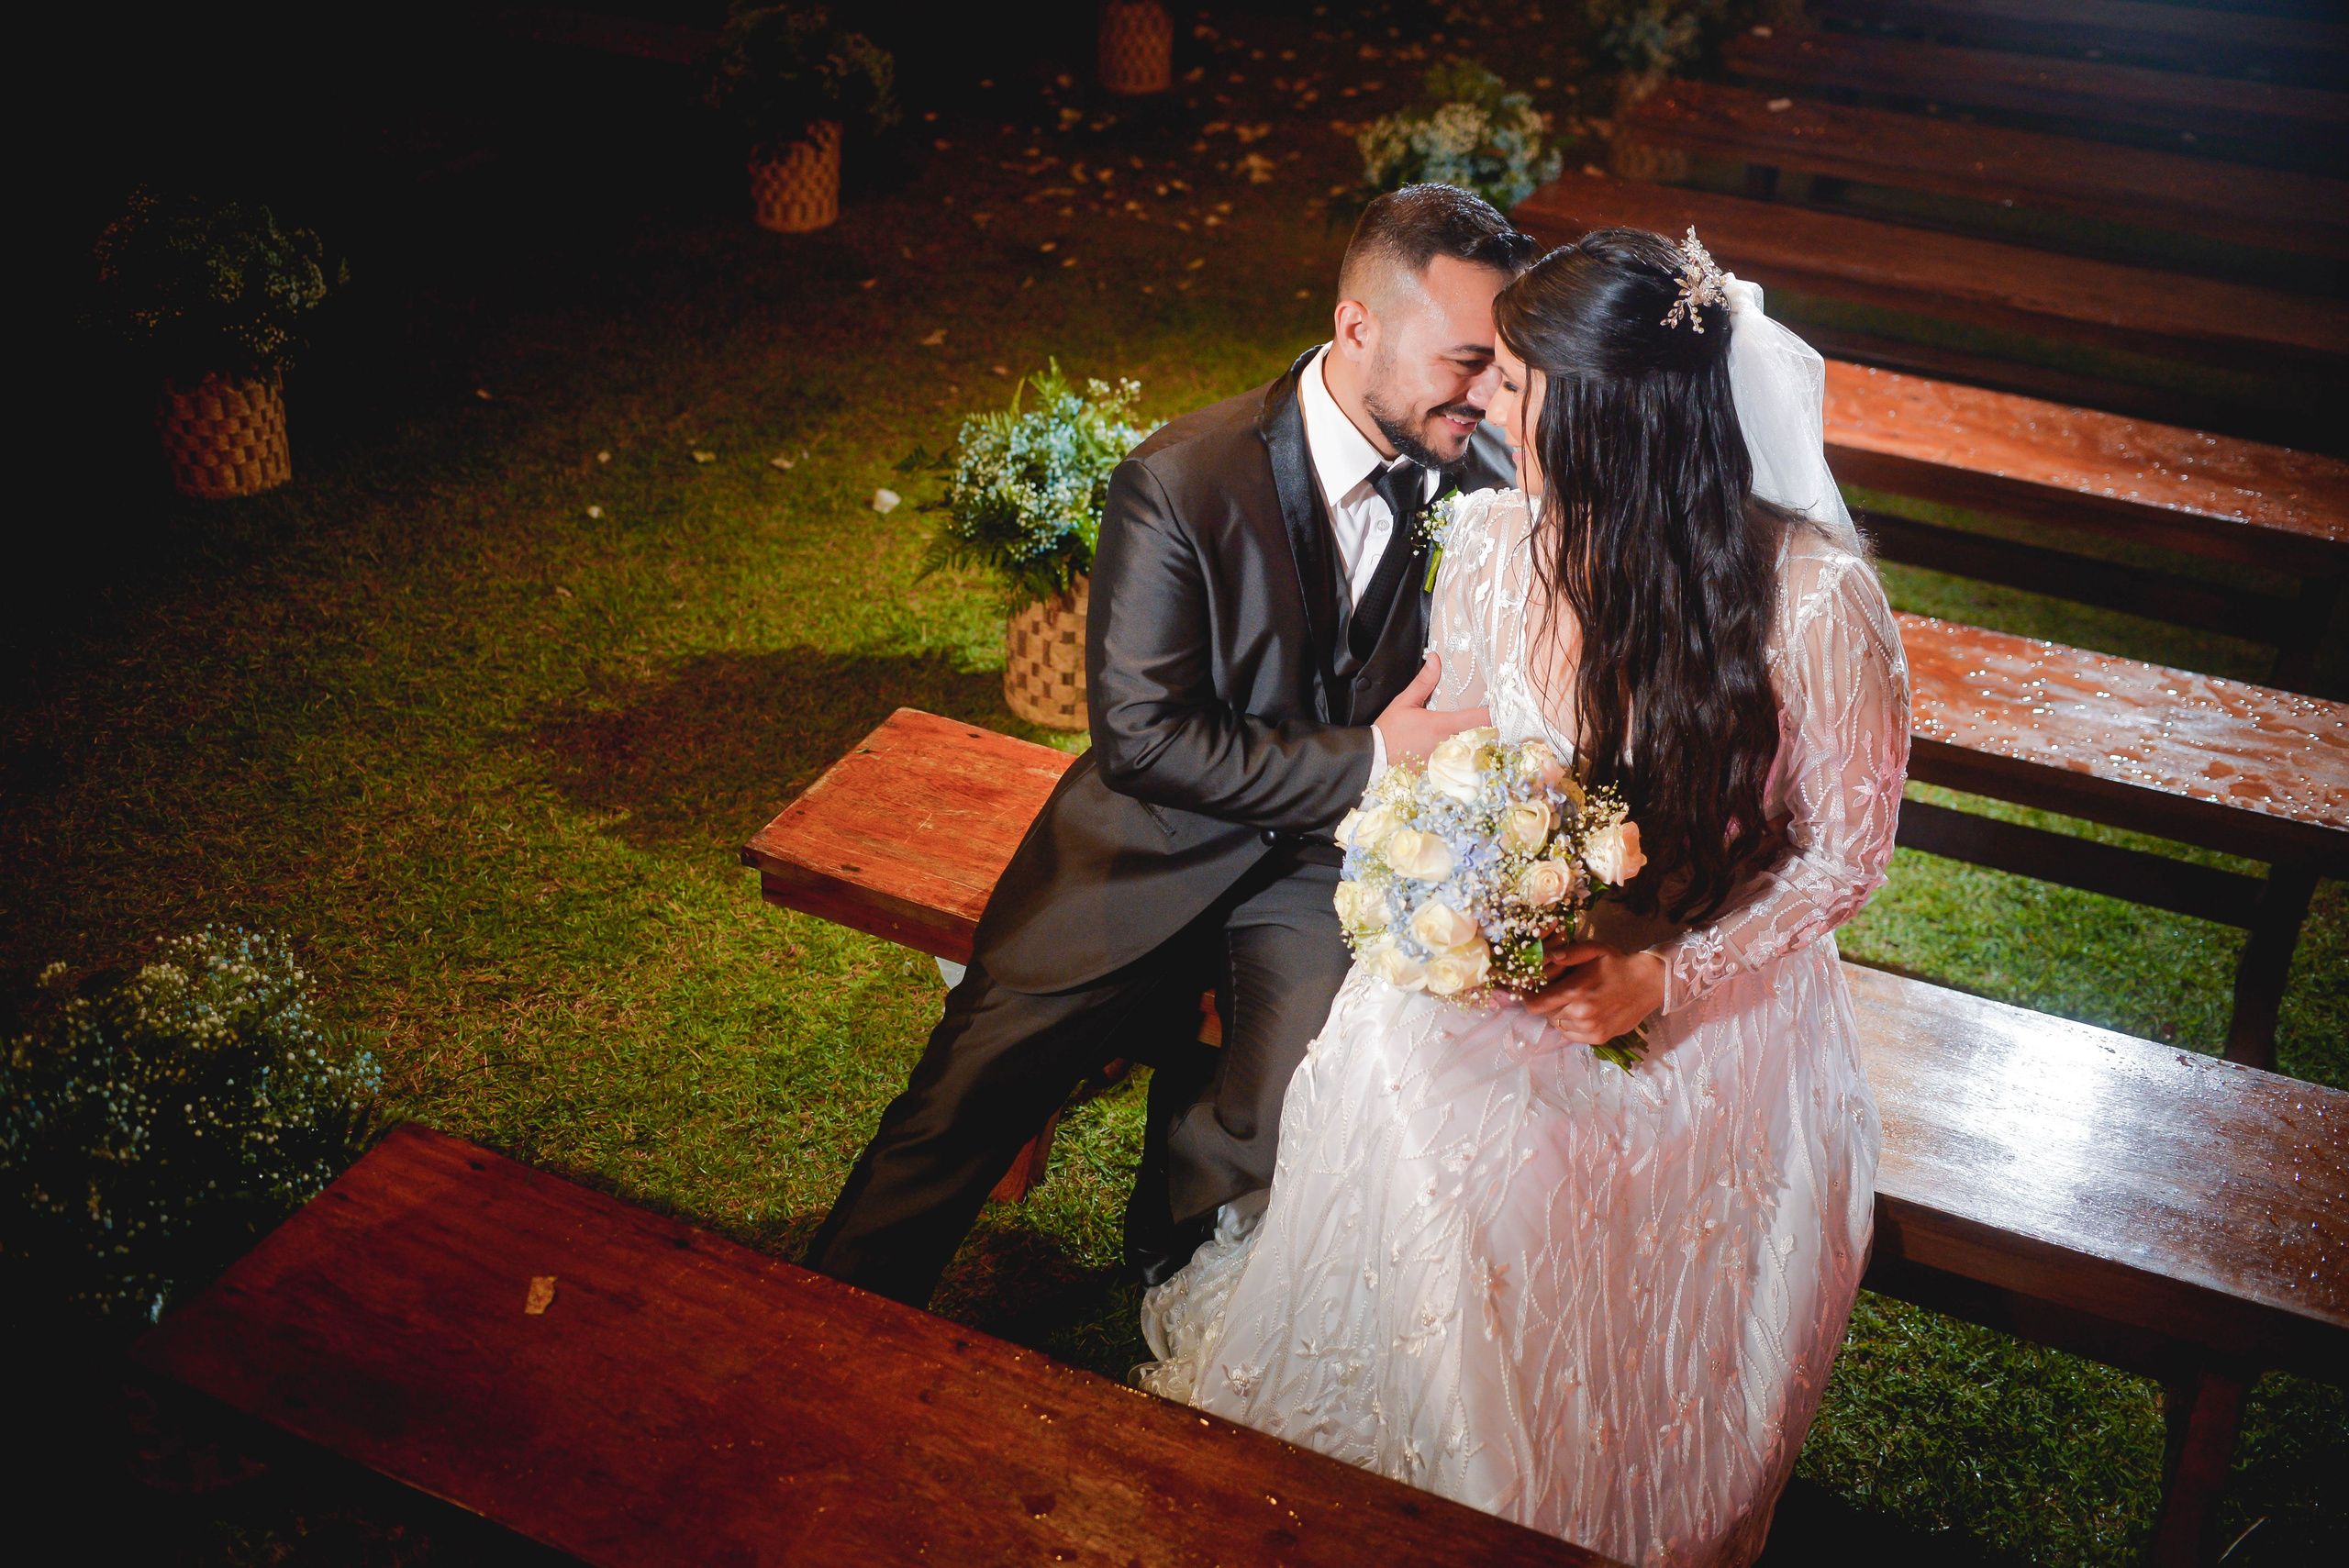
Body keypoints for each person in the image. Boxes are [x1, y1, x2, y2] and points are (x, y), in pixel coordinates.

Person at [1135, 227, 1912, 1568]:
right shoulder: (1496, 540)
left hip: (1703, 989)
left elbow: (1848, 852)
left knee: (1551, 1187)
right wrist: (1463, 885)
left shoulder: (1812, 599)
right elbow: (1479, 752)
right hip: (1521, 947)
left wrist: (1666, 969)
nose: (1485, 407)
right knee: (1409, 1094)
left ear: (1608, 412)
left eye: (1515, 383)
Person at [803, 185, 1537, 1307]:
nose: (1487, 396)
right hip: (1151, 844)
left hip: (1323, 867)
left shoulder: (1480, 486)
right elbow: (1142, 739)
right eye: (1465, 362)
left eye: (1501, 368)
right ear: (1359, 329)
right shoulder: (1181, 480)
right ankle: (825, 1309)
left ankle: (1173, 1291)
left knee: (1284, 1092)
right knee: (965, 1095)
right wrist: (1371, 755)